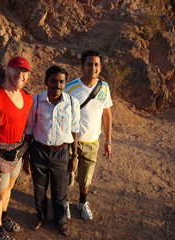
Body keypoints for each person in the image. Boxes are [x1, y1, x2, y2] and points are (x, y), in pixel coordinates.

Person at [0, 56, 33, 240]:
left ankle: (3, 216)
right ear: (7, 70)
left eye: (25, 72)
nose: (21, 75)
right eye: (16, 70)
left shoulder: (27, 98)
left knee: (9, 187)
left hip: (17, 152)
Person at [23, 65, 80, 236]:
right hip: (39, 150)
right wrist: (26, 158)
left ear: (65, 83)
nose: (57, 85)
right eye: (53, 81)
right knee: (39, 188)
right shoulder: (36, 101)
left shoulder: (72, 103)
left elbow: (75, 130)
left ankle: (60, 220)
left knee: (60, 190)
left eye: (61, 82)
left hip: (61, 152)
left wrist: (74, 156)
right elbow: (29, 130)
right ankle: (40, 216)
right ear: (46, 81)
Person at [64, 50, 113, 221]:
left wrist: (108, 140)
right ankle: (64, 202)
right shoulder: (71, 88)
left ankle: (82, 202)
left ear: (100, 67)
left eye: (96, 64)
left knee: (86, 177)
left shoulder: (104, 88)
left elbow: (106, 114)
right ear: (82, 66)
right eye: (89, 64)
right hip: (71, 141)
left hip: (93, 141)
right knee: (67, 175)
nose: (93, 67)